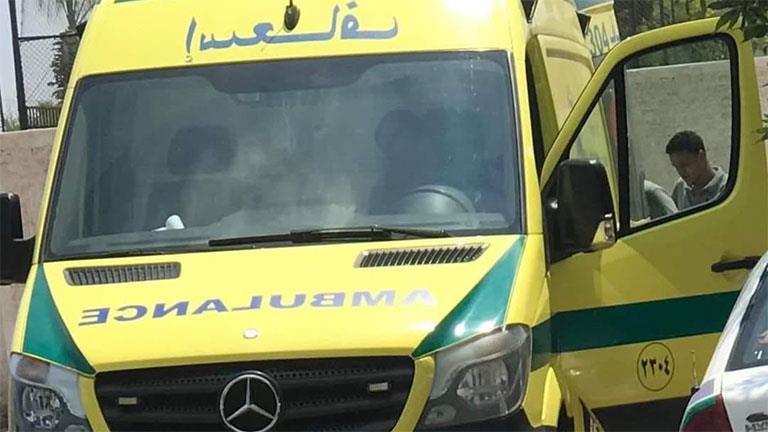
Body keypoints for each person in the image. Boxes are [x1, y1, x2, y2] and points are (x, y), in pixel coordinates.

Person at [665, 130, 728, 210]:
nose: (681, 172)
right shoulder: (680, 189)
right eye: (676, 167)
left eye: (685, 165)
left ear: (701, 157)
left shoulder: (727, 188)